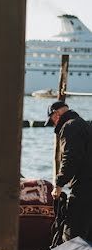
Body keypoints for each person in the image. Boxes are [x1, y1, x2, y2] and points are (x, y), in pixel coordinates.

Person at [48, 100, 92, 241]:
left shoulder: (69, 127)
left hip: (84, 187)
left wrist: (59, 185)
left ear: (56, 114)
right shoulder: (84, 124)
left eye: (51, 121)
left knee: (72, 235)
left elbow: (70, 158)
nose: (54, 125)